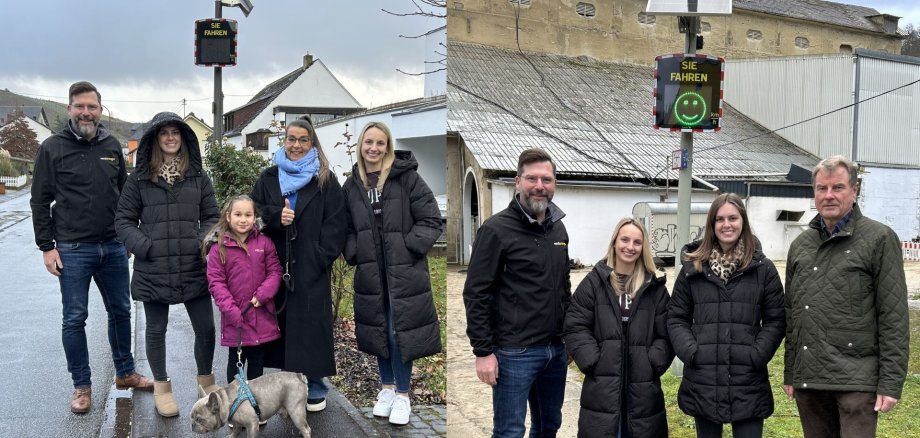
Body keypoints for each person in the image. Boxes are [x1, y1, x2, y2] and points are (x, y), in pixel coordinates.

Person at [30, 81, 153, 414]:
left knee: (121, 312)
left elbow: (124, 196)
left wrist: (127, 236)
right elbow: (39, 200)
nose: (87, 112)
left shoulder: (112, 145)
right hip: (71, 248)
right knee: (74, 318)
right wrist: (46, 246)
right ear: (69, 109)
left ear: (101, 110)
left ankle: (125, 373)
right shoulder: (52, 148)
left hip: (112, 247)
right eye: (80, 106)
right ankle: (81, 386)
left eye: (92, 107)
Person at [783, 156, 909, 437]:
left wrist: (890, 382)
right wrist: (791, 372)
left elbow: (893, 316)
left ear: (855, 190)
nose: (828, 196)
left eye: (837, 187)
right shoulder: (801, 245)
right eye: (821, 188)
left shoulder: (879, 239)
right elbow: (792, 314)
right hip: (810, 381)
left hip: (857, 381)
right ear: (813, 193)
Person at [114, 111, 219, 417]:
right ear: (155, 139)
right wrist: (145, 247)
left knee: (206, 329)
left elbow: (212, 217)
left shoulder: (199, 177)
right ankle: (162, 387)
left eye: (176, 133)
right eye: (164, 133)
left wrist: (201, 244)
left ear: (184, 139)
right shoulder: (139, 181)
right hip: (154, 267)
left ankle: (206, 385)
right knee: (156, 330)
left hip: (192, 265)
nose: (171, 138)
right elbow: (123, 221)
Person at [463, 148, 571, 438]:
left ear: (554, 184)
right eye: (532, 178)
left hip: (555, 352)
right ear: (518, 182)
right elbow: (476, 293)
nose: (539, 186)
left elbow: (564, 287)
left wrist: (569, 337)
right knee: (510, 431)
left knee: (548, 427)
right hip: (514, 353)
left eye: (546, 180)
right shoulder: (496, 230)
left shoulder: (558, 230)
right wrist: (483, 351)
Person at [342, 122, 443, 425]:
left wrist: (409, 247)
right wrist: (355, 252)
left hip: (404, 272)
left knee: (398, 331)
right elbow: (344, 227)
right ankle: (385, 389)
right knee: (379, 331)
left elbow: (431, 219)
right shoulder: (352, 185)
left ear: (388, 147)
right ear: (361, 145)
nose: (373, 148)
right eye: (368, 142)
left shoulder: (406, 179)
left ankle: (402, 395)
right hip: (372, 273)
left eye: (380, 143)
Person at [667, 193, 785, 438]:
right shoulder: (694, 268)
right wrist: (691, 351)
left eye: (733, 217)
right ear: (711, 224)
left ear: (743, 221)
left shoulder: (763, 269)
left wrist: (758, 353)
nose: (726, 224)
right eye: (719, 219)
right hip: (704, 377)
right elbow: (677, 317)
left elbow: (775, 320)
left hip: (748, 378)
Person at [250, 117, 347, 412]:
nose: (296, 145)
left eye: (303, 139)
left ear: (312, 142)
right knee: (277, 327)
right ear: (284, 141)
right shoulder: (269, 177)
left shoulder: (325, 179)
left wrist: (321, 256)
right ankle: (282, 389)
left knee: (311, 327)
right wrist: (275, 216)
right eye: (291, 139)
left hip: (310, 265)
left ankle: (315, 384)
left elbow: (337, 222)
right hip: (272, 264)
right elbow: (250, 212)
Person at [564, 218, 674, 438]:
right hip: (602, 388)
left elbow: (668, 331)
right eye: (625, 240)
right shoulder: (595, 282)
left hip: (643, 389)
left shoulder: (654, 287)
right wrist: (593, 360)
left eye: (637, 242)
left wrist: (653, 361)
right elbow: (575, 324)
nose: (630, 247)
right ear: (615, 242)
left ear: (643, 248)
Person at [203, 195, 282, 385]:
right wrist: (231, 310)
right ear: (228, 216)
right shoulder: (218, 247)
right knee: (235, 362)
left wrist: (263, 294)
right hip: (235, 318)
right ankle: (234, 403)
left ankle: (255, 406)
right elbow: (216, 282)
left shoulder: (264, 243)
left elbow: (275, 272)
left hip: (260, 313)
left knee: (257, 362)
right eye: (238, 214)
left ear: (254, 217)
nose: (243, 219)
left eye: (248, 214)